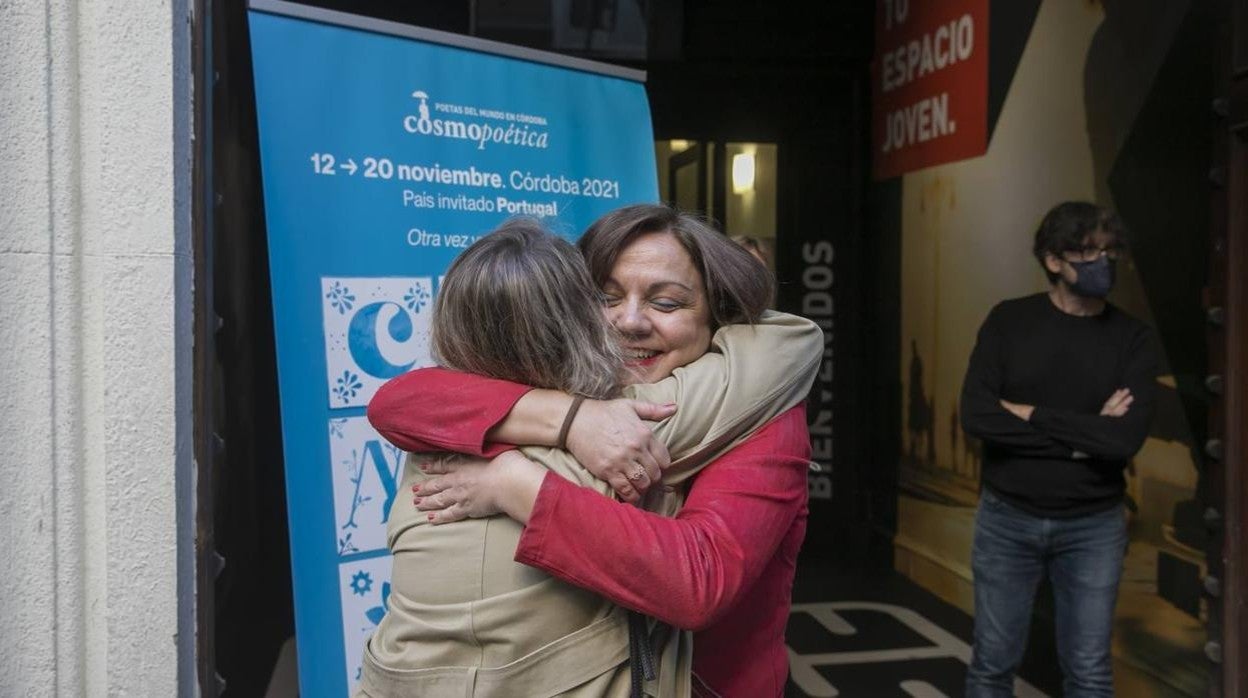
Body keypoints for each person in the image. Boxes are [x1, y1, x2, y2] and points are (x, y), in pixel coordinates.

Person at [362, 210, 821, 697]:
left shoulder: (760, 415)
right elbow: (399, 400)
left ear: (716, 314)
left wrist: (515, 485)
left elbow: (698, 580)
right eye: (606, 297)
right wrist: (570, 417)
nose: (629, 322)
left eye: (667, 303)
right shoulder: (574, 389)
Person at [959, 201, 1159, 697]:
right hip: (1008, 520)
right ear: (1053, 260)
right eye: (1088, 252)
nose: (1103, 262)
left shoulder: (1132, 338)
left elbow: (1123, 440)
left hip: (1094, 526)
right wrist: (1084, 435)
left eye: (1110, 250)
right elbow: (978, 416)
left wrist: (1031, 414)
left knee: (1089, 671)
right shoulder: (1009, 322)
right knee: (991, 664)